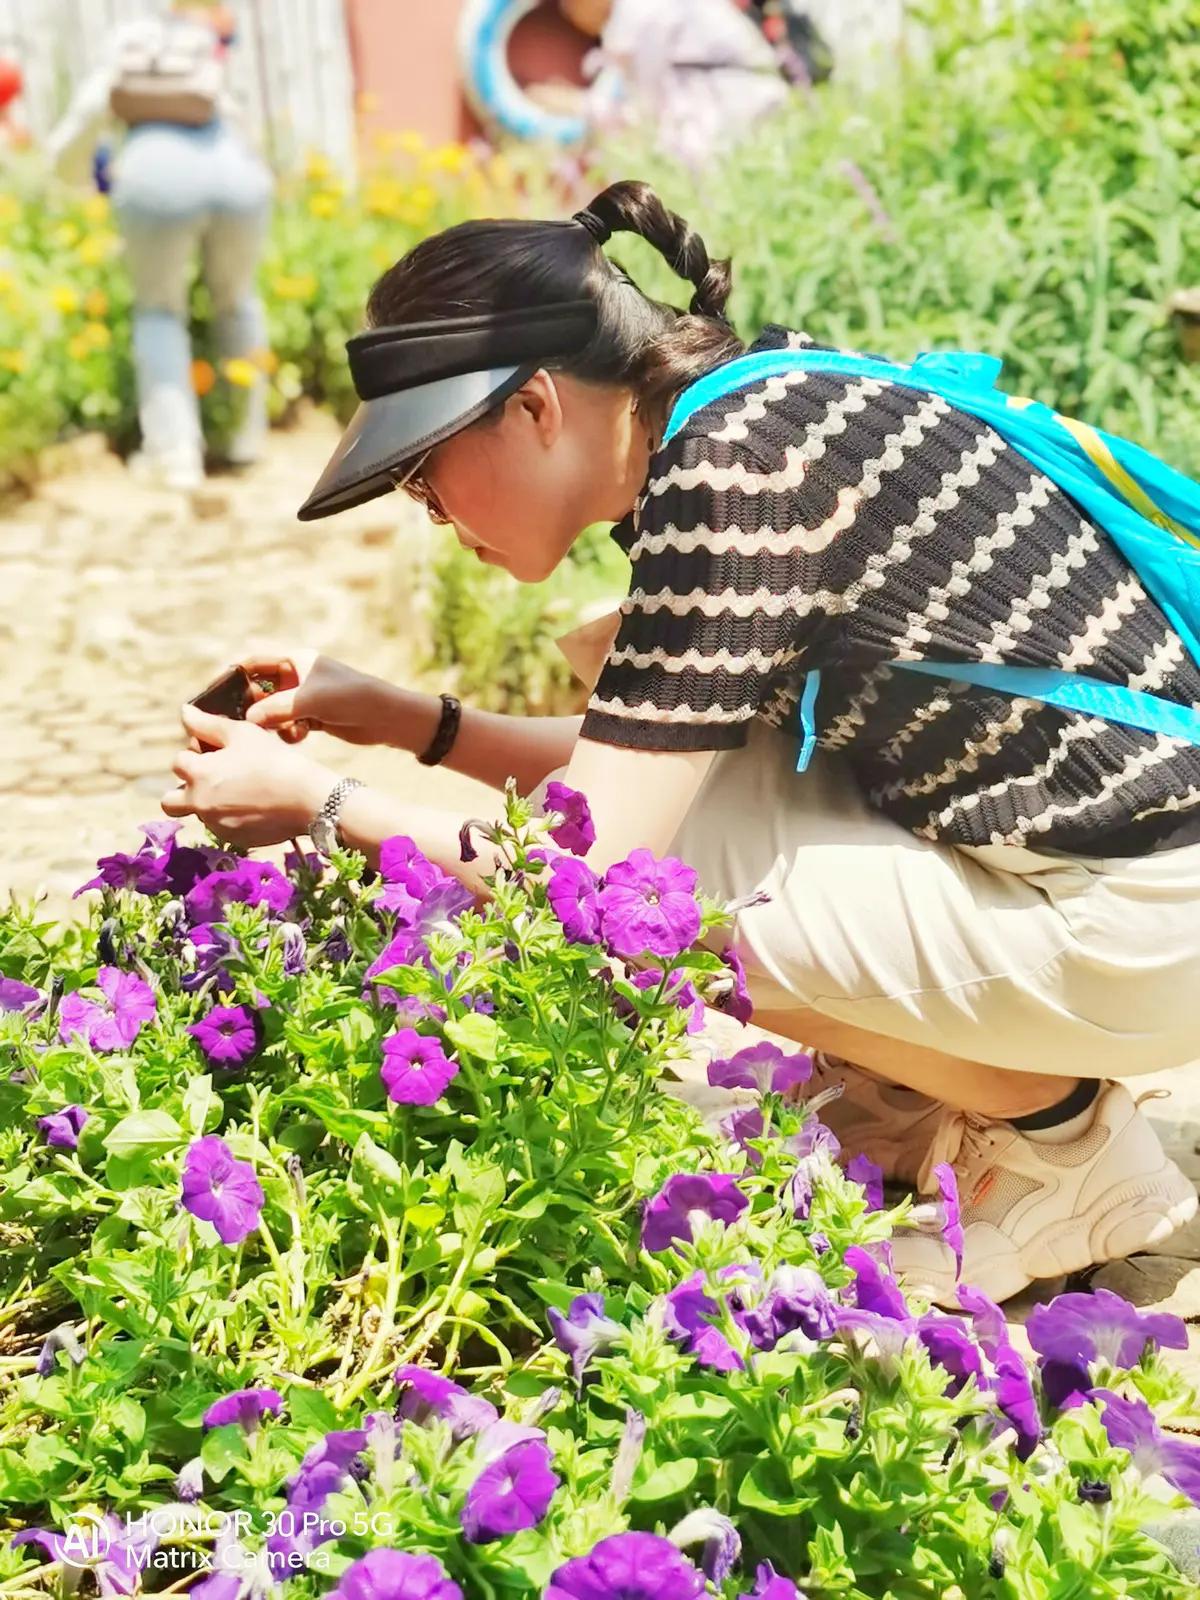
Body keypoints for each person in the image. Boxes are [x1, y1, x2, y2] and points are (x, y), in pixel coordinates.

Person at [163, 179, 1200, 1307]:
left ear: (536, 407)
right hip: (1131, 884)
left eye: (425, 475)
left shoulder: (733, 474)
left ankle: (1058, 1141)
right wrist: (414, 720)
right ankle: (944, 1092)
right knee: (684, 811)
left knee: (651, 909)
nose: (432, 514)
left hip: (1140, 921)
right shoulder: (758, 404)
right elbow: (644, 772)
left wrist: (321, 803)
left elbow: (586, 875)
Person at [45, 3, 272, 491]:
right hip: (237, 177)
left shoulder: (127, 48)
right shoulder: (200, 45)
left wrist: (70, 175)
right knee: (237, 303)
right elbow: (239, 119)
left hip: (155, 179)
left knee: (159, 313)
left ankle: (175, 457)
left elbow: (81, 125)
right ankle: (244, 438)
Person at [560, 0, 790, 170]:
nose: (575, 20)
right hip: (757, 94)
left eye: (571, 8)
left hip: (738, 103)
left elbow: (645, 106)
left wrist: (578, 105)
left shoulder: (634, 17)